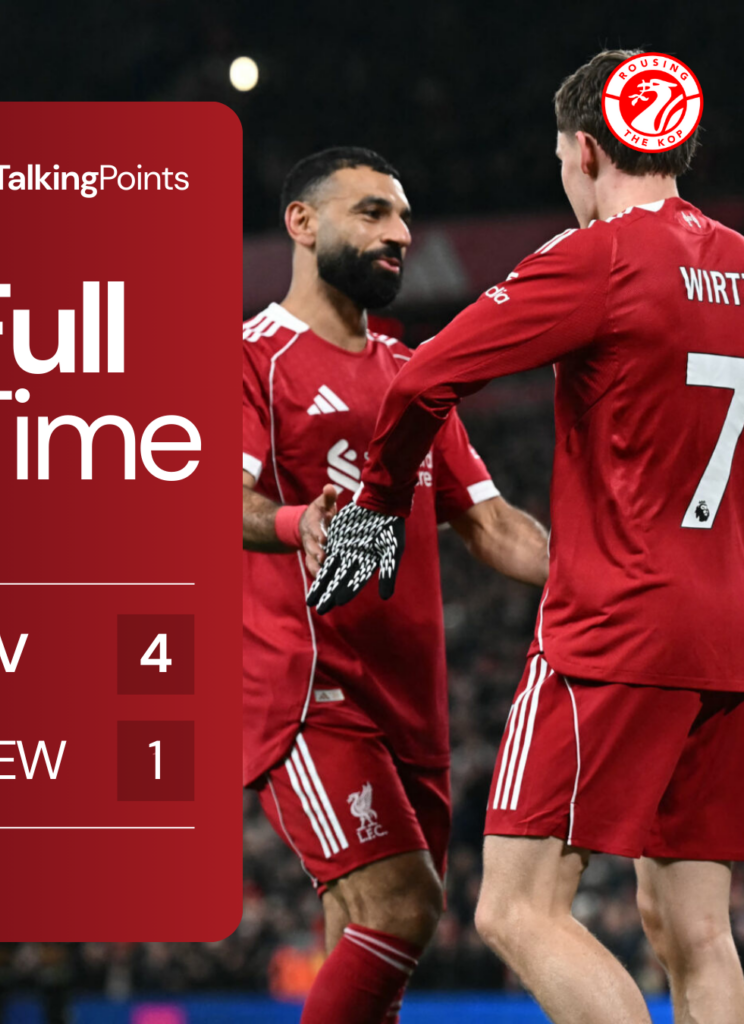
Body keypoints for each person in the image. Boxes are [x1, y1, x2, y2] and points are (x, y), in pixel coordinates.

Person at [308, 54, 744, 1024]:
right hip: (727, 632)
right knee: (697, 935)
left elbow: (422, 381)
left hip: (616, 624)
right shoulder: (741, 263)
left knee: (516, 905)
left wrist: (380, 501)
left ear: (584, 149)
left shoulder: (602, 256)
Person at [243, 146, 550, 1024]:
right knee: (406, 912)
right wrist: (303, 524)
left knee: (365, 944)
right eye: (372, 212)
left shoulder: (409, 374)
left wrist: (602, 576)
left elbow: (491, 525)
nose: (400, 234)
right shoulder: (251, 358)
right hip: (310, 690)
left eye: (404, 216)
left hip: (413, 712)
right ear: (302, 223)